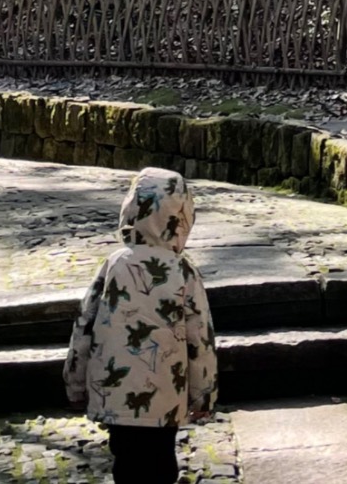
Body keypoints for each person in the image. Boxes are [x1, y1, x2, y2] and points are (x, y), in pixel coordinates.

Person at [64, 168, 217, 483]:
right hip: (165, 392)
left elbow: (84, 325)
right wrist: (203, 394)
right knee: (161, 461)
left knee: (126, 460)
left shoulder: (114, 265)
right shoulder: (183, 272)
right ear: (183, 217)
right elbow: (200, 337)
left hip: (115, 391)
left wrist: (75, 382)